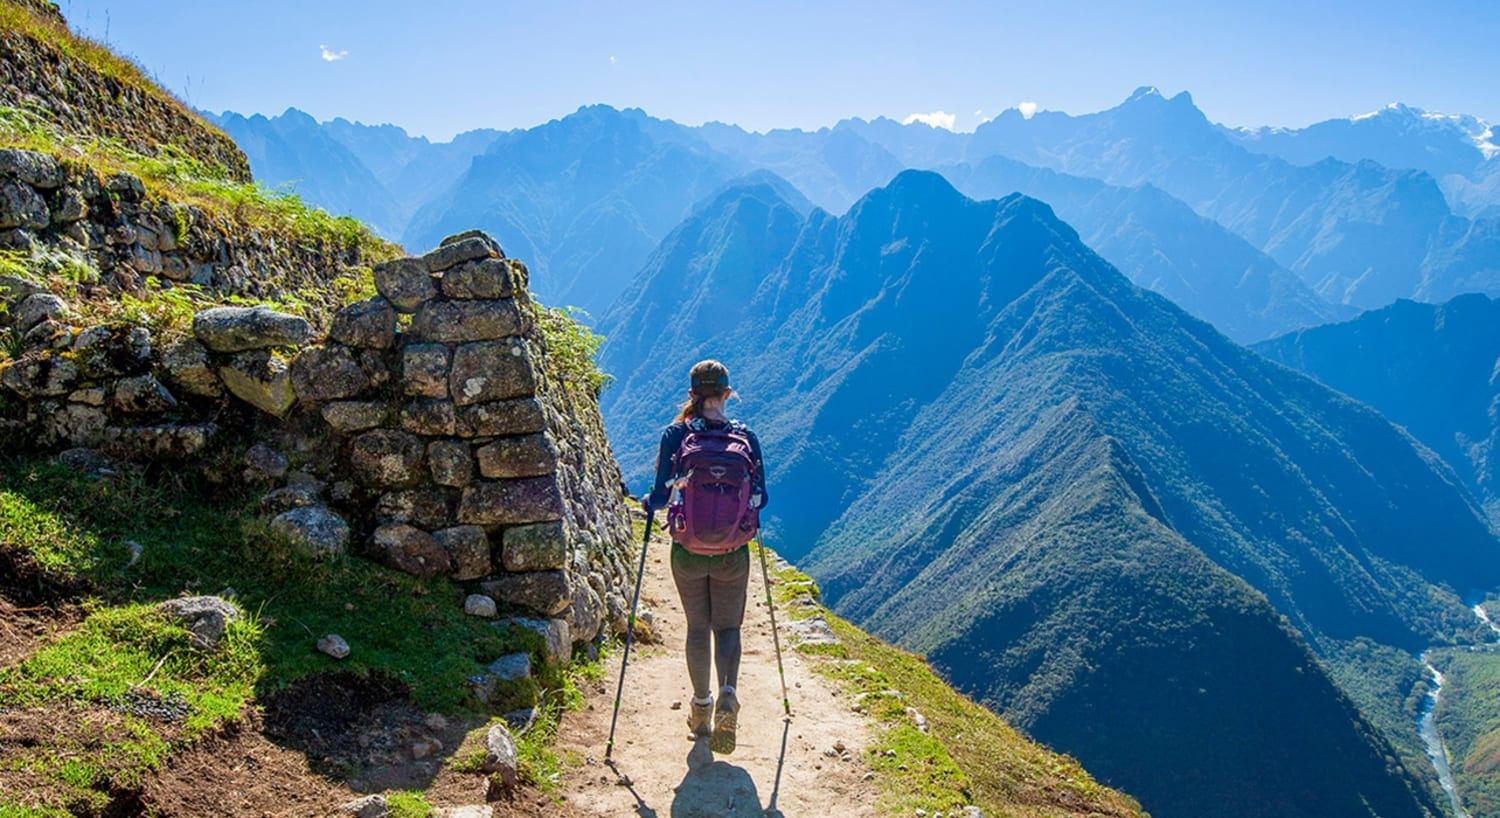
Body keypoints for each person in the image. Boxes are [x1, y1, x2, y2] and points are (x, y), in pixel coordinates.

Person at [645, 359, 768, 755]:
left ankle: (701, 707)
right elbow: (762, 497)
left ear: (692, 395)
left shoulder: (676, 434)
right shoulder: (745, 437)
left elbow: (662, 497)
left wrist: (650, 502)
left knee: (698, 627)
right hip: (733, 552)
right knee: (728, 628)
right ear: (728, 393)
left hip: (689, 551)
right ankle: (728, 693)